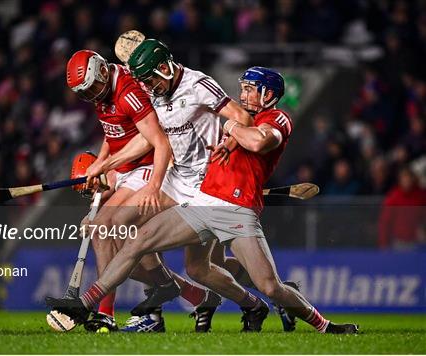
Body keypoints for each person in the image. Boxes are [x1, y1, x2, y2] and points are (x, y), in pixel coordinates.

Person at [47, 66, 359, 334]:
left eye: (251, 90)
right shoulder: (235, 124)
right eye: (243, 89)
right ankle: (83, 304)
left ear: (268, 94)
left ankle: (324, 324)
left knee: (270, 286)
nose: (244, 95)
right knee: (141, 244)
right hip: (202, 202)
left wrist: (231, 127)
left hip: (237, 212)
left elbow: (259, 141)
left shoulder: (277, 119)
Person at [57, 49, 214, 333]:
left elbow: (157, 141)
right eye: (84, 92)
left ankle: (106, 312)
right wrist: (102, 166)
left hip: (149, 167)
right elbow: (112, 133)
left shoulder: (128, 92)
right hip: (126, 169)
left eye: (93, 87)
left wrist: (111, 168)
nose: (92, 95)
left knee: (108, 229)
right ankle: (192, 294)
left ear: (103, 71)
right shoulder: (102, 93)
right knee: (121, 246)